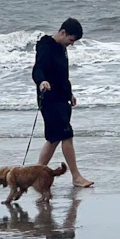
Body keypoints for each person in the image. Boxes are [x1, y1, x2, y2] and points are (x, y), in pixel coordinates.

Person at [32, 18, 94, 188]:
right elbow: (38, 68)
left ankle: (37, 176)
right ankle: (76, 177)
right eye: (71, 40)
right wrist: (41, 81)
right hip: (49, 98)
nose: (71, 44)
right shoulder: (46, 45)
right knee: (66, 134)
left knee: (54, 139)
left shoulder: (61, 48)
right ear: (63, 32)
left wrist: (69, 93)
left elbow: (62, 75)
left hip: (61, 98)